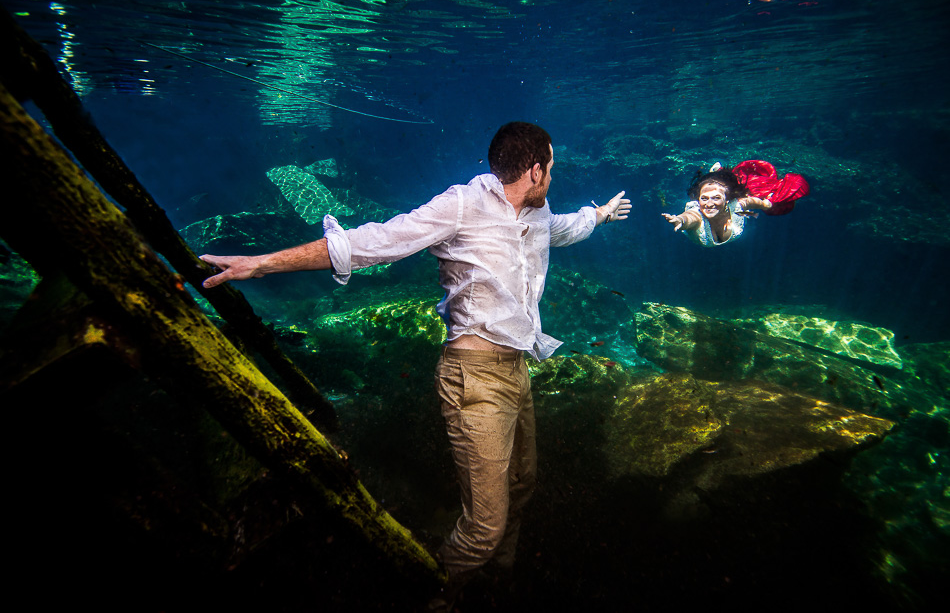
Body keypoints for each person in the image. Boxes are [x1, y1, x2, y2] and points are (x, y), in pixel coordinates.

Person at [200, 121, 631, 608]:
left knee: (522, 484)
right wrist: (260, 264)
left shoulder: (536, 211)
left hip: (516, 369)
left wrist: (601, 215)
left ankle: (499, 579)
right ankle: (428, 595)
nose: (552, 176)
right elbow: (372, 243)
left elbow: (560, 230)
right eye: (550, 168)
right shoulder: (461, 206)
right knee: (484, 527)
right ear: (534, 170)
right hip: (473, 376)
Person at [662, 160, 809, 246]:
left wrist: (768, 204)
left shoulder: (736, 204)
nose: (709, 204)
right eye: (704, 198)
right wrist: (679, 220)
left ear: (726, 200)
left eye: (716, 198)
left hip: (732, 196)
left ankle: (718, 173)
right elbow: (690, 217)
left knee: (745, 190)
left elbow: (753, 202)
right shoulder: (697, 212)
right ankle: (717, 173)